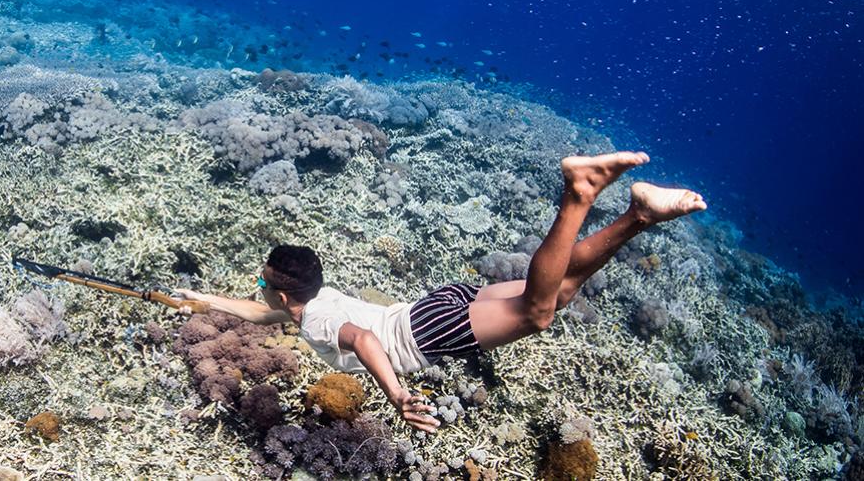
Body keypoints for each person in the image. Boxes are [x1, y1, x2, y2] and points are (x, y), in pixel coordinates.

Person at [175, 152, 707, 432]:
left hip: (426, 331)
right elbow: (260, 316)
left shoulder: (313, 321)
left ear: (280, 292)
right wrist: (201, 301)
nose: (258, 290)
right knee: (559, 290)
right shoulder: (313, 301)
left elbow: (362, 340)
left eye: (261, 282)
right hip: (436, 303)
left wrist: (397, 395)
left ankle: (580, 191)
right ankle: (639, 213)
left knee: (539, 312)